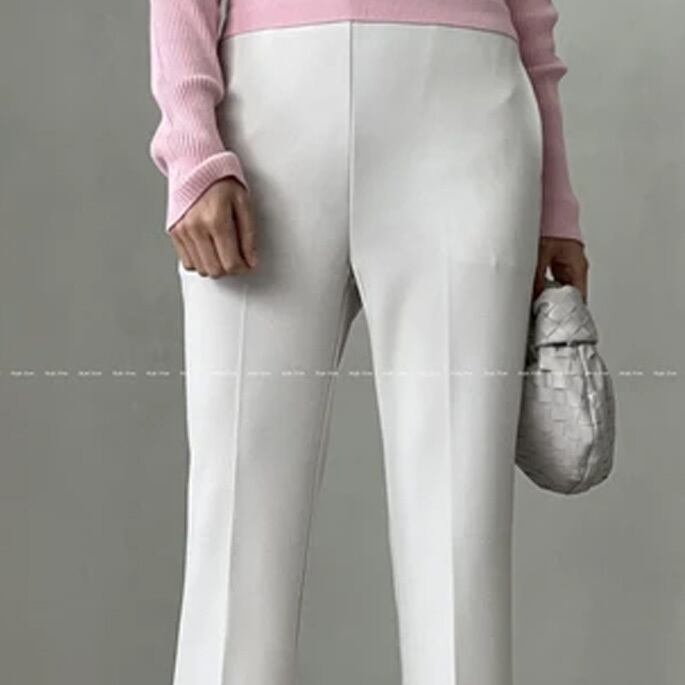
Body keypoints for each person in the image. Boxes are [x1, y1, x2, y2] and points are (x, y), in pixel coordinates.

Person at [148, 2, 590, 684]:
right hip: (267, 111)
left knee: (460, 545)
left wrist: (555, 199)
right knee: (233, 529)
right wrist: (190, 141)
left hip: (467, 109)